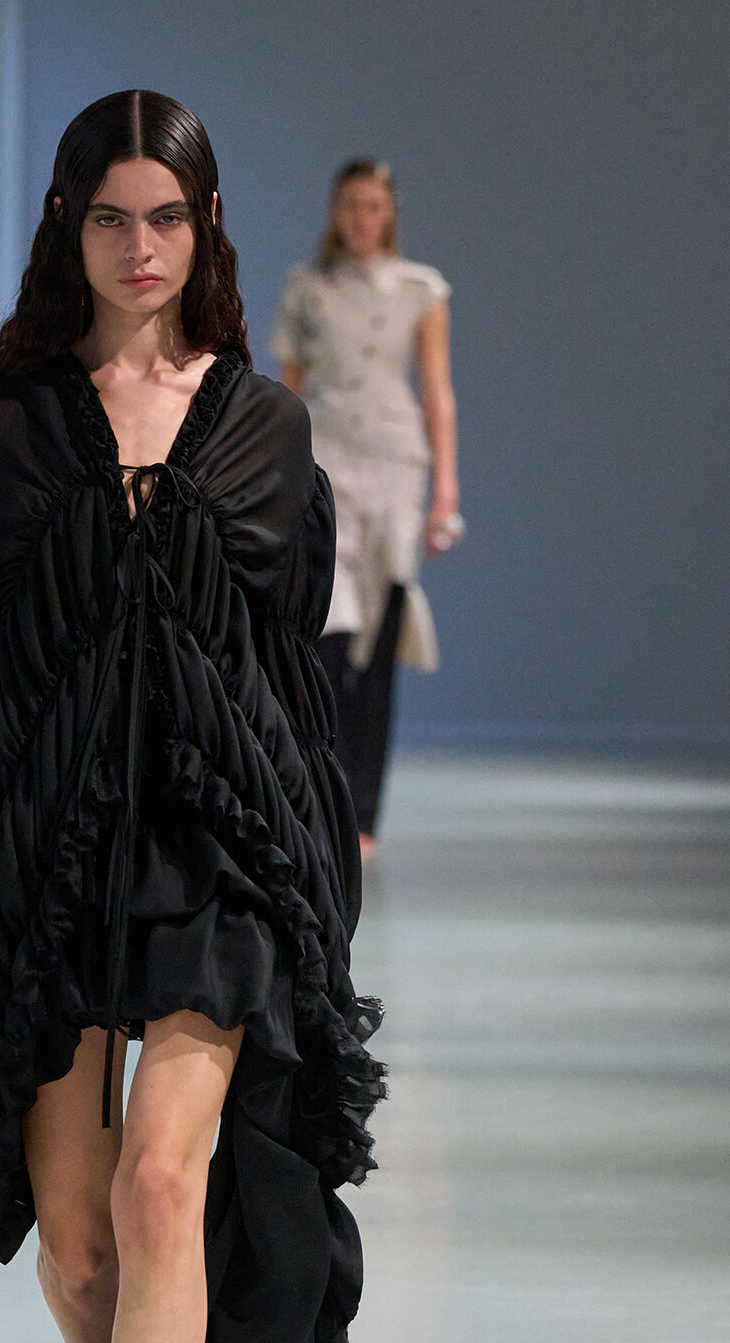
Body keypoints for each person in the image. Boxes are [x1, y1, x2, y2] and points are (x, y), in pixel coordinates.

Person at [0, 92, 518, 1343]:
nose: (140, 248)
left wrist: (318, 908)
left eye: (167, 219)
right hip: (39, 865)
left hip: (220, 858)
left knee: (168, 1190)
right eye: (111, 217)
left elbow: (290, 692)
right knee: (78, 1251)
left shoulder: (261, 427)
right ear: (70, 227)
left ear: (205, 230)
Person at [273, 159, 463, 857]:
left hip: (392, 463)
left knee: (379, 646)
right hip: (326, 459)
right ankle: (325, 800)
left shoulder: (420, 291)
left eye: (373, 206)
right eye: (350, 205)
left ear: (390, 213)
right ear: (335, 211)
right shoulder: (307, 289)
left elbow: (437, 390)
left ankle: (365, 814)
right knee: (322, 636)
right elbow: (285, 395)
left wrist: (447, 489)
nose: (361, 218)